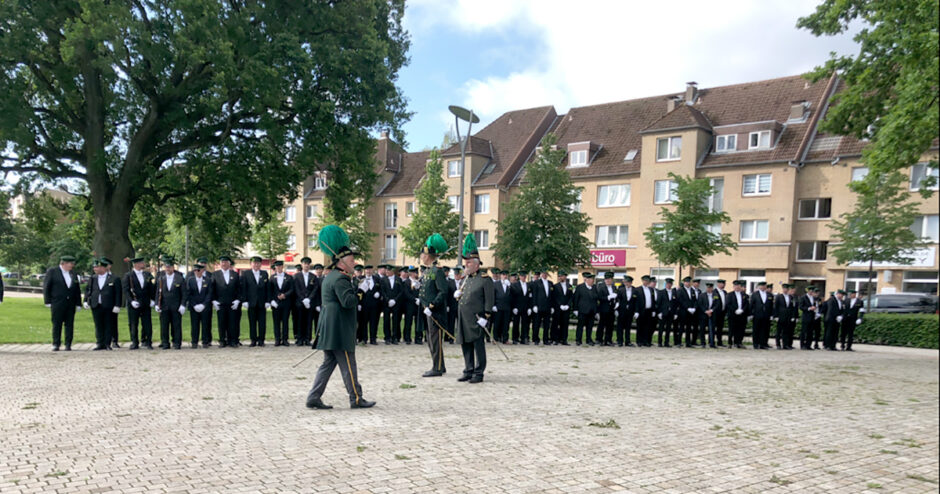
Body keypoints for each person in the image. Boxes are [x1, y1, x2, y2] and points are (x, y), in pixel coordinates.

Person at [306, 225, 376, 410]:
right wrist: (360, 290)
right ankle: (356, 398)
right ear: (341, 262)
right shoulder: (340, 278)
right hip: (339, 328)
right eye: (352, 260)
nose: (354, 263)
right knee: (348, 364)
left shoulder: (333, 276)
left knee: (328, 364)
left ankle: (313, 396)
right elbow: (348, 301)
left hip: (330, 326)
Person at [454, 234, 493, 383]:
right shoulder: (466, 279)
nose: (466, 265)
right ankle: (468, 370)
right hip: (464, 318)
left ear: (477, 264)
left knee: (478, 346)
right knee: (466, 345)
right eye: (465, 263)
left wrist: (486, 317)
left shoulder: (484, 279)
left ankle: (479, 372)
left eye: (469, 263)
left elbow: (489, 300)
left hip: (477, 319)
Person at [419, 234, 449, 377]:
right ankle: (439, 365)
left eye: (423, 254)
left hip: (435, 312)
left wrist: (431, 305)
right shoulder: (428, 271)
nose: (421, 256)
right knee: (431, 339)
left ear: (429, 256)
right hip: (427, 311)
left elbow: (443, 291)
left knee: (435, 340)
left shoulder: (437, 271)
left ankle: (437, 368)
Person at [43, 255, 82, 351]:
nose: (72, 266)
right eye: (70, 264)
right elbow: (47, 287)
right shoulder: (53, 272)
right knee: (57, 323)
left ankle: (68, 343)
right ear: (63, 263)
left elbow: (77, 289)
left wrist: (78, 303)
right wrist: (47, 301)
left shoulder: (73, 273)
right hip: (57, 302)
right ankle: (56, 343)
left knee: (69, 323)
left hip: (70, 303)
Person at [85, 257, 122, 350]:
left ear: (104, 268)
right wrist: (86, 300)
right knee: (98, 325)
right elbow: (88, 290)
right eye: (95, 267)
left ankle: (107, 343)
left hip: (108, 305)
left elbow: (118, 293)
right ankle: (99, 343)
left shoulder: (114, 278)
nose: (95, 269)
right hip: (96, 304)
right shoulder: (93, 278)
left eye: (97, 267)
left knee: (108, 324)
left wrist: (117, 305)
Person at [154, 256, 187, 350]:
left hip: (176, 306)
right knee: (164, 326)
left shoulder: (179, 278)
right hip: (164, 306)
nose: (167, 269)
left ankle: (177, 343)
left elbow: (184, 293)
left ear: (173, 268)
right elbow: (158, 292)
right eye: (166, 267)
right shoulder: (161, 278)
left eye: (169, 267)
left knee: (176, 325)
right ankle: (165, 343)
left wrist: (183, 304)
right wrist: (157, 303)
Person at [123, 256, 156, 350]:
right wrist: (131, 301)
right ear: (136, 264)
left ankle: (148, 341)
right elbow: (126, 290)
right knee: (133, 323)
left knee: (147, 323)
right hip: (134, 303)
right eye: (142, 263)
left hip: (145, 302)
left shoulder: (147, 275)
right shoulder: (128, 275)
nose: (144, 264)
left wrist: (152, 299)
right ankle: (134, 342)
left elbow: (151, 288)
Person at [211, 256, 241, 348]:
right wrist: (214, 301)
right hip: (220, 303)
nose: (224, 264)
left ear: (229, 263)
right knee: (221, 322)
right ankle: (222, 340)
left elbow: (239, 289)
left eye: (226, 262)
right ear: (220, 264)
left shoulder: (235, 274)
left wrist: (237, 300)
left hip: (232, 303)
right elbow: (212, 289)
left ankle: (232, 340)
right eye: (222, 262)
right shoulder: (215, 274)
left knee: (232, 322)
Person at [240, 256, 270, 347]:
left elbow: (267, 288)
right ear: (251, 264)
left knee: (262, 322)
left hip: (261, 302)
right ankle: (253, 340)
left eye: (258, 263)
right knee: (252, 322)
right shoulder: (246, 274)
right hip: (251, 302)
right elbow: (243, 288)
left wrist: (267, 300)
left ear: (260, 264)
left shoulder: (264, 273)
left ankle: (261, 340)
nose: (256, 264)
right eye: (254, 263)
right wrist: (244, 300)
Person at [186, 261, 213, 348]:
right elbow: (189, 294)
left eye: (198, 270)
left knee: (205, 325)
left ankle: (205, 341)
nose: (197, 272)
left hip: (205, 307)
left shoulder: (208, 280)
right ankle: (194, 341)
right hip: (194, 307)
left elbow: (209, 294)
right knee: (195, 325)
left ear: (202, 271)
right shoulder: (190, 280)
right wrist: (194, 305)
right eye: (195, 270)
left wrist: (204, 305)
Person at [294, 257, 319, 347]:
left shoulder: (313, 276)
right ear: (302, 265)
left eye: (308, 264)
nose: (306, 265)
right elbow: (296, 289)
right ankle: (300, 339)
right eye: (305, 264)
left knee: (309, 321)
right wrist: (302, 299)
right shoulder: (296, 276)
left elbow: (315, 289)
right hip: (300, 302)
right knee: (300, 320)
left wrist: (309, 299)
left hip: (310, 302)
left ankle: (307, 339)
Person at [269, 260, 294, 346]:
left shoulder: (289, 277)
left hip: (286, 302)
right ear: (275, 267)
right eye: (277, 266)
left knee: (285, 321)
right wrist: (275, 298)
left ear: (282, 267)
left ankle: (285, 339)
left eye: (280, 266)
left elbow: (292, 289)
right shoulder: (272, 278)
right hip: (276, 303)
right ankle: (277, 339)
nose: (279, 268)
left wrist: (285, 295)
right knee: (276, 322)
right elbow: (270, 290)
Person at [572, 272, 598, 345]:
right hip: (582, 310)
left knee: (590, 326)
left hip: (592, 311)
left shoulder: (595, 287)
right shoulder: (580, 287)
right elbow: (575, 299)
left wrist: (596, 311)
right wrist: (575, 309)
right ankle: (578, 340)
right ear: (586, 280)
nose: (592, 281)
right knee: (580, 326)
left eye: (593, 279)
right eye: (590, 279)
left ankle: (588, 339)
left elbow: (596, 300)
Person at [383, 265, 405, 345]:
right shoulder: (383, 279)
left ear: (392, 271)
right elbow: (383, 291)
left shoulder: (398, 279)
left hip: (396, 303)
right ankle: (387, 337)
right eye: (386, 270)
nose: (387, 272)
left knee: (396, 320)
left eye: (388, 271)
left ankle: (395, 337)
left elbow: (401, 291)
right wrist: (388, 300)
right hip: (386, 303)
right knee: (386, 320)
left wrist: (395, 300)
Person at [725, 280, 749, 348]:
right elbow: (728, 304)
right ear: (733, 287)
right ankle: (730, 343)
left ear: (741, 287)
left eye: (738, 286)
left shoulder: (745, 295)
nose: (737, 287)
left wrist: (742, 310)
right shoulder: (730, 295)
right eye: (735, 286)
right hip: (733, 315)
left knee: (740, 329)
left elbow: (747, 304)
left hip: (742, 315)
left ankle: (738, 342)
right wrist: (735, 310)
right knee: (731, 329)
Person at [510, 271, 533, 344]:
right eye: (522, 276)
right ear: (519, 277)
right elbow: (512, 297)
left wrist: (530, 307)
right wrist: (514, 307)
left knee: (525, 323)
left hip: (525, 307)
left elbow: (530, 297)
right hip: (517, 307)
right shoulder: (514, 285)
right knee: (516, 323)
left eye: (525, 276)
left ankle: (524, 338)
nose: (524, 277)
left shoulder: (528, 285)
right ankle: (515, 338)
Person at [594, 272, 616, 346]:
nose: (607, 280)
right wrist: (608, 297)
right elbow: (599, 298)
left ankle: (608, 340)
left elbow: (616, 296)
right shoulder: (601, 287)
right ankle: (599, 339)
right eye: (606, 279)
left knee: (610, 325)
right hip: (603, 309)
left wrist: (616, 303)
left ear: (612, 279)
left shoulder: (614, 287)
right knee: (601, 325)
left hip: (611, 309)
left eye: (609, 279)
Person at [531, 270, 553, 345]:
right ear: (541, 274)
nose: (544, 275)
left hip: (547, 307)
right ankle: (535, 339)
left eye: (546, 273)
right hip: (539, 306)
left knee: (547, 325)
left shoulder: (550, 283)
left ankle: (546, 339)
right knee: (537, 323)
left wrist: (552, 306)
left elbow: (551, 296)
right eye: (543, 273)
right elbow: (534, 295)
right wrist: (534, 305)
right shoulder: (536, 283)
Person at [696, 282, 721, 348]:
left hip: (712, 314)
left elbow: (717, 304)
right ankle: (703, 343)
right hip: (703, 314)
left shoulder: (716, 295)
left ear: (712, 288)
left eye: (710, 288)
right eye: (708, 288)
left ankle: (711, 343)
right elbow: (700, 304)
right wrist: (706, 311)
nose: (709, 289)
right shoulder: (702, 295)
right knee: (702, 329)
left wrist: (711, 310)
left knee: (712, 329)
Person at [749, 281, 773, 349]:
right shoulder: (755, 294)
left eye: (764, 286)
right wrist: (750, 314)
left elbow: (771, 306)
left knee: (765, 330)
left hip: (766, 315)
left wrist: (771, 314)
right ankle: (756, 344)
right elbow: (751, 304)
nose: (763, 287)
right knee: (756, 329)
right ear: (759, 287)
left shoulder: (769, 295)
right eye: (761, 286)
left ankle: (763, 343)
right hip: (757, 315)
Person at [552, 270, 573, 345]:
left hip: (566, 308)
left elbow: (571, 297)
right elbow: (555, 297)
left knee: (565, 324)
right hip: (558, 308)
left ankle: (564, 339)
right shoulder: (555, 286)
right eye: (559, 276)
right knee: (556, 323)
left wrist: (568, 305)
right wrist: (560, 305)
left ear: (565, 277)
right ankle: (555, 339)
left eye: (561, 276)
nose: (560, 277)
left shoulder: (569, 286)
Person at [616, 276, 637, 347]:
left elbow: (636, 302)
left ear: (631, 283)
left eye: (628, 282)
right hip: (622, 311)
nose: (627, 284)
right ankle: (619, 341)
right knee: (620, 326)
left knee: (628, 327)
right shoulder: (620, 290)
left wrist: (636, 311)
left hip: (630, 311)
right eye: (625, 282)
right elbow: (617, 300)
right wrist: (616, 309)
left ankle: (627, 341)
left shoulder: (634, 290)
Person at [492, 269, 512, 344]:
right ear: (501, 276)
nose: (505, 276)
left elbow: (513, 295)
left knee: (506, 324)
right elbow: (493, 295)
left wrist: (510, 285)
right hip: (498, 306)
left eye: (506, 275)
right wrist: (493, 305)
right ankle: (495, 339)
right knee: (497, 323)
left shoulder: (509, 284)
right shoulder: (496, 284)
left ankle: (505, 339)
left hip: (507, 307)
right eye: (503, 275)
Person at [799, 286, 821, 350]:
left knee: (810, 332)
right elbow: (801, 306)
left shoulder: (813, 298)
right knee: (804, 331)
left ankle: (808, 345)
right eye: (810, 291)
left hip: (812, 316)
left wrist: (815, 309)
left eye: (812, 291)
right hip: (806, 316)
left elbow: (816, 305)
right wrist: (808, 308)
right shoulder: (803, 297)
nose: (811, 292)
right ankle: (802, 345)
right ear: (808, 291)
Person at [657, 278, 677, 347]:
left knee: (668, 329)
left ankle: (666, 342)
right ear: (665, 284)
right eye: (668, 284)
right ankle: (660, 342)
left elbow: (675, 304)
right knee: (661, 328)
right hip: (663, 313)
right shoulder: (661, 292)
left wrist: (675, 313)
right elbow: (658, 303)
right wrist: (659, 312)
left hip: (670, 313)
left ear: (671, 285)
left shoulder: (674, 293)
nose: (669, 285)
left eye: (670, 284)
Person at [714, 279, 728, 346]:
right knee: (713, 328)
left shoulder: (725, 292)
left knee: (720, 328)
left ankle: (719, 341)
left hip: (722, 313)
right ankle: (712, 341)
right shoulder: (714, 292)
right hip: (715, 313)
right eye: (722, 284)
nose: (723, 285)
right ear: (718, 284)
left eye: (724, 284)